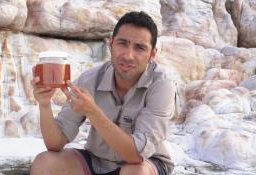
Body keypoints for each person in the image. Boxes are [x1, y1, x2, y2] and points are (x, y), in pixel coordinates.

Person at [30, 11, 175, 175]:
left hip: (146, 163)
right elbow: (55, 143)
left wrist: (92, 111)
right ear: (111, 44)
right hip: (97, 160)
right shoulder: (90, 80)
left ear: (153, 55)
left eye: (140, 48)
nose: (128, 55)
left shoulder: (162, 86)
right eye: (122, 43)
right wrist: (44, 104)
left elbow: (135, 155)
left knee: (135, 172)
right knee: (45, 163)